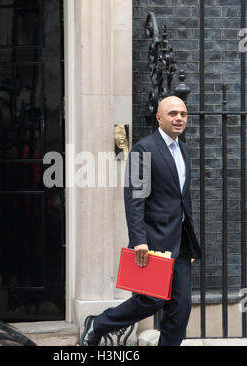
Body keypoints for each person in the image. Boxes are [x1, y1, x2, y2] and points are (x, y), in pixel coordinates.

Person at [80, 96, 202, 347]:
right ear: (159, 118)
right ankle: (99, 324)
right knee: (151, 300)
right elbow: (135, 198)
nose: (179, 118)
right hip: (154, 240)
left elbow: (183, 198)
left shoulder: (184, 150)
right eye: (173, 114)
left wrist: (189, 239)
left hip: (180, 242)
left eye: (183, 114)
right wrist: (139, 240)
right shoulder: (144, 149)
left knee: (181, 309)